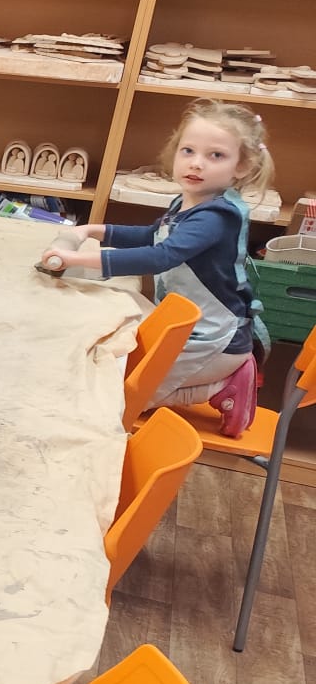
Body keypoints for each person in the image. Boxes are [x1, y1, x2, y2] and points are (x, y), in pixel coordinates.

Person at [49, 100, 270, 434]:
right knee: (115, 376)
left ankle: (223, 386)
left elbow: (160, 256)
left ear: (241, 166)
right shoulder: (189, 201)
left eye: (216, 155)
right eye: (188, 150)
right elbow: (152, 235)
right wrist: (93, 231)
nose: (196, 163)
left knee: (119, 398)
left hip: (215, 341)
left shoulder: (215, 217)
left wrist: (77, 260)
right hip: (186, 328)